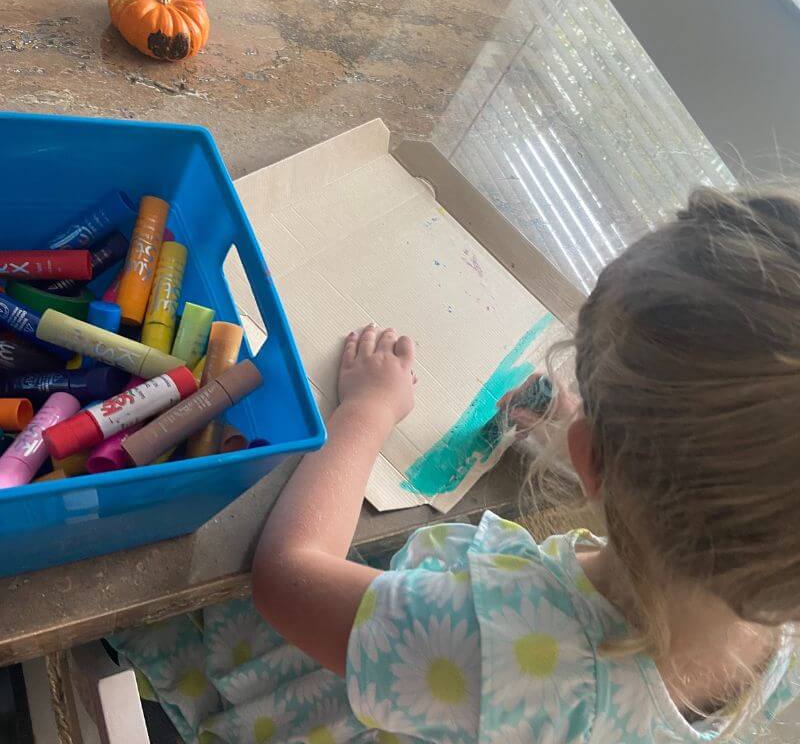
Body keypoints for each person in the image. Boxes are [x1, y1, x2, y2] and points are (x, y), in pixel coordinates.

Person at [113, 188, 800, 743]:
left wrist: (366, 413)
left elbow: (288, 576)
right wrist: (597, 442)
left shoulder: (498, 651)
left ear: (591, 461)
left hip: (328, 680)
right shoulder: (772, 621)